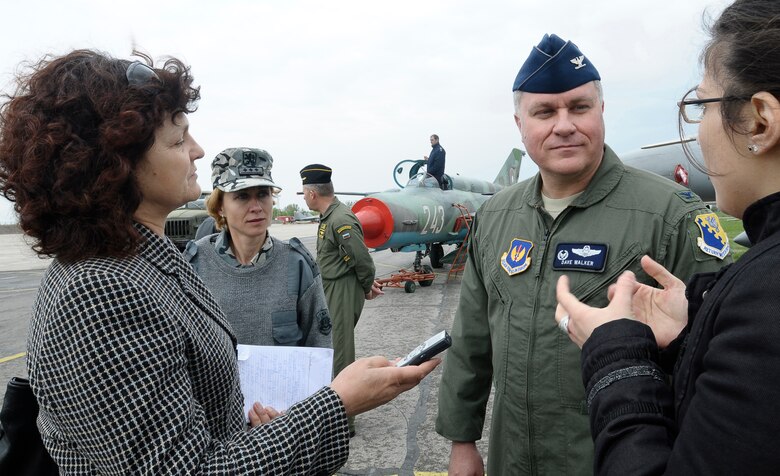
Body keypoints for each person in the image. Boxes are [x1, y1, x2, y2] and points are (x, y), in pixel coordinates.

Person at [0, 49, 439, 474]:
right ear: (116, 164)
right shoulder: (100, 293)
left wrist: (259, 430)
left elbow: (195, 433)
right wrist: (340, 403)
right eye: (177, 138)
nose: (197, 149)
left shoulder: (148, 265)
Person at [435, 34, 731, 475]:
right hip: (512, 458)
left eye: (579, 107)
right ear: (520, 124)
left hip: (616, 461)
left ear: (601, 111)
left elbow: (723, 361)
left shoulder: (669, 215)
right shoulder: (496, 216)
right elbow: (472, 341)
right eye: (544, 112)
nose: (564, 124)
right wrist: (462, 442)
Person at [554, 1, 780, 473]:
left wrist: (614, 351)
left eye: (702, 105)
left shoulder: (766, 292)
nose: (699, 133)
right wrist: (692, 337)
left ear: (760, 120)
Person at [186, 147, 332, 349]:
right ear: (220, 206)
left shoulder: (296, 265)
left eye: (263, 194)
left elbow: (319, 345)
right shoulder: (195, 265)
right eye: (242, 196)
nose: (256, 207)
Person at [300, 164, 384, 436]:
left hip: (342, 290)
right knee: (332, 349)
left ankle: (345, 421)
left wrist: (366, 285)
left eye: (304, 192)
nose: (303, 198)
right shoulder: (330, 216)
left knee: (341, 353)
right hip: (332, 288)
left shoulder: (341, 220)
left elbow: (361, 260)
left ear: (312, 194)